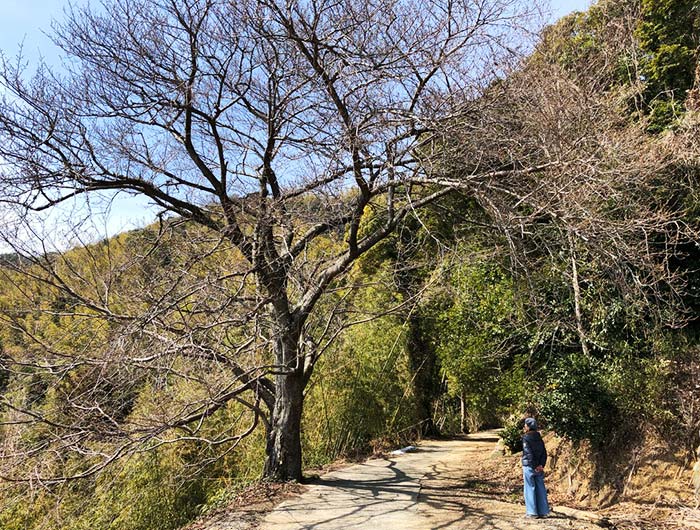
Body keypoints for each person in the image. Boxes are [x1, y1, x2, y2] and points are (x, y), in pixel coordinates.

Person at [522, 417, 550, 519]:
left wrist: (534, 466)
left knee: (529, 487)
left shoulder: (526, 438)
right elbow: (544, 453)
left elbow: (528, 454)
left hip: (529, 467)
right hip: (539, 467)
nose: (524, 427)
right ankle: (544, 511)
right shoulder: (539, 438)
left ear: (528, 427)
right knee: (540, 488)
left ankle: (532, 512)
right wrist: (541, 465)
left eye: (525, 425)